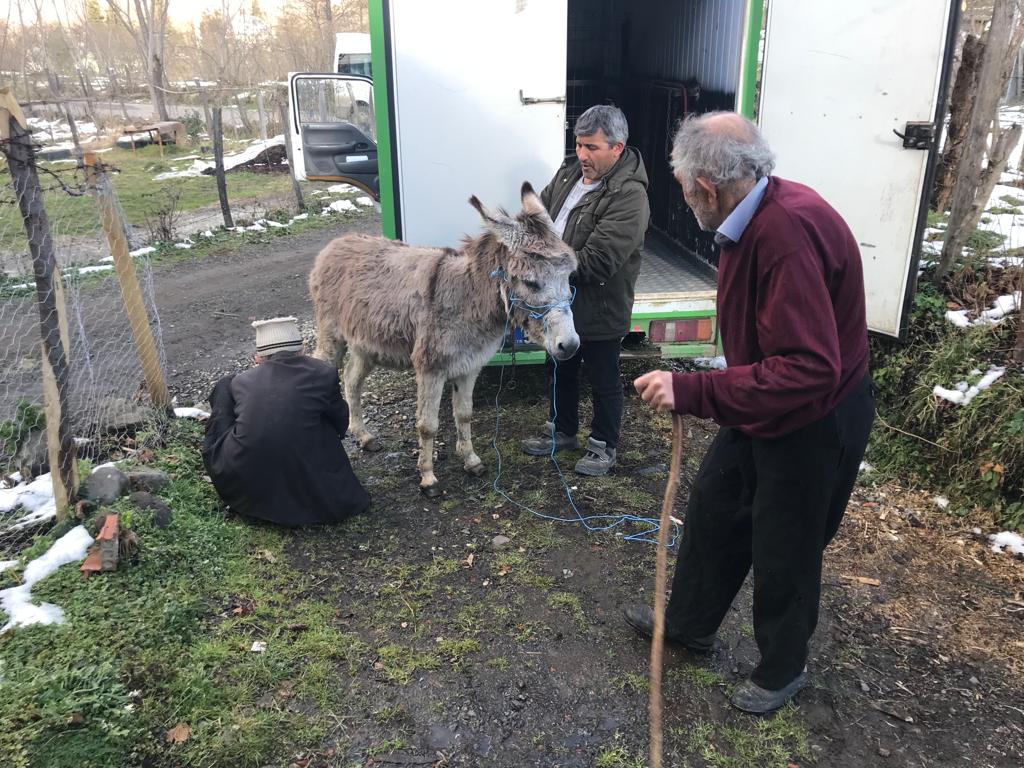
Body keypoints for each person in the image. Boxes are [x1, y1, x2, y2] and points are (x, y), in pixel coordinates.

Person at [624, 112, 874, 713]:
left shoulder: (785, 233)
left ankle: (783, 668)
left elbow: (808, 367)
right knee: (717, 504)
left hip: (816, 415)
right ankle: (689, 624)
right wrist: (725, 380)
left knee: (786, 543)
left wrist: (695, 392)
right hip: (764, 399)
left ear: (706, 187)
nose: (685, 202)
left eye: (684, 189)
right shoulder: (754, 213)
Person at [521, 104, 650, 476]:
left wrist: (540, 263)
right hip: (560, 303)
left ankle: (603, 445)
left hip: (600, 305)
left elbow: (599, 260)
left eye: (592, 148)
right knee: (559, 367)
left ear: (617, 148)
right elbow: (536, 215)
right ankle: (562, 431)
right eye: (579, 145)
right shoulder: (569, 173)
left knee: (603, 376)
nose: (582, 155)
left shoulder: (629, 195)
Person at [202, 316, 370, 525]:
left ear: (259, 359)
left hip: (249, 489)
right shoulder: (323, 372)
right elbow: (339, 419)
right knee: (318, 414)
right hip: (322, 492)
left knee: (226, 391)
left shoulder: (240, 382)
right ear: (302, 350)